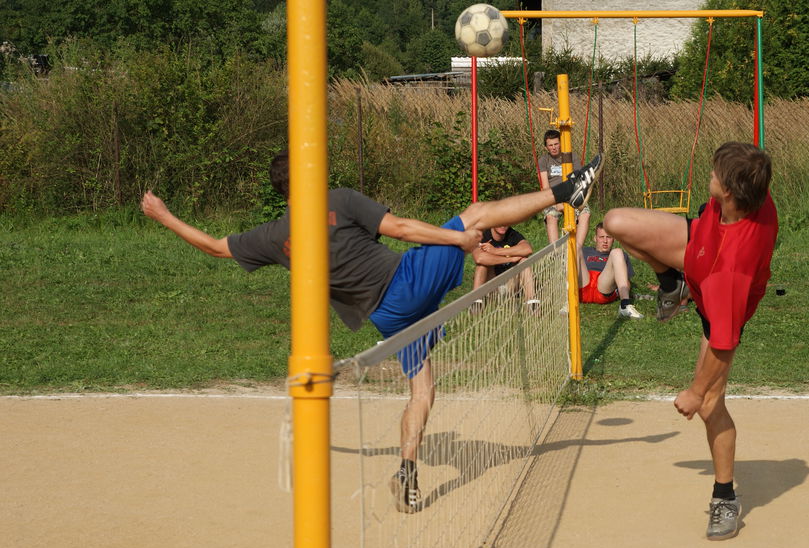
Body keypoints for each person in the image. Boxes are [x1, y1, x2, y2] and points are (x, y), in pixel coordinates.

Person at [141, 149, 603, 514]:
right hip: (405, 283)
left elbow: (214, 247)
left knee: (422, 390)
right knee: (478, 214)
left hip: (386, 316)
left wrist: (163, 215)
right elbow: (400, 228)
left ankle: (407, 469)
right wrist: (458, 240)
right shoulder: (337, 200)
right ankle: (568, 191)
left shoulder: (273, 236)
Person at [603, 142, 776, 540]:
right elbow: (748, 171)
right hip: (699, 244)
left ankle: (725, 498)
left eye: (715, 174)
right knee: (616, 222)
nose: (709, 175)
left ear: (728, 192)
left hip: (715, 293)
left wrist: (696, 392)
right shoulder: (752, 196)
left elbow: (723, 345)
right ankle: (673, 283)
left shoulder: (729, 276)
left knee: (711, 404)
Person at [537, 129, 592, 246]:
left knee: (585, 213)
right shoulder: (543, 161)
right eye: (550, 145)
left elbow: (578, 180)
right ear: (546, 147)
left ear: (561, 143)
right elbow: (545, 186)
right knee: (551, 216)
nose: (554, 147)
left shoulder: (572, 157)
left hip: (572, 194)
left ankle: (577, 247)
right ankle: (555, 251)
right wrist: (556, 202)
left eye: (556, 144)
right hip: (553, 196)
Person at [578, 222, 643, 319]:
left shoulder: (620, 256)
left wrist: (623, 292)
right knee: (576, 247)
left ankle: (625, 305)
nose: (605, 241)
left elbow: (625, 281)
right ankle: (566, 300)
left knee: (617, 252)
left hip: (604, 286)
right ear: (595, 238)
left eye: (608, 237)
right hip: (583, 283)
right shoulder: (585, 251)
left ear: (614, 239)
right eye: (601, 237)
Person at [470, 224, 538, 311]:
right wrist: (511, 259)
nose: (503, 225)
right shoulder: (483, 236)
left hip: (511, 283)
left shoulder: (512, 234)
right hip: (492, 282)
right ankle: (476, 304)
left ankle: (532, 304)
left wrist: (495, 251)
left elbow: (527, 249)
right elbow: (479, 258)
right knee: (481, 266)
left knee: (524, 261)